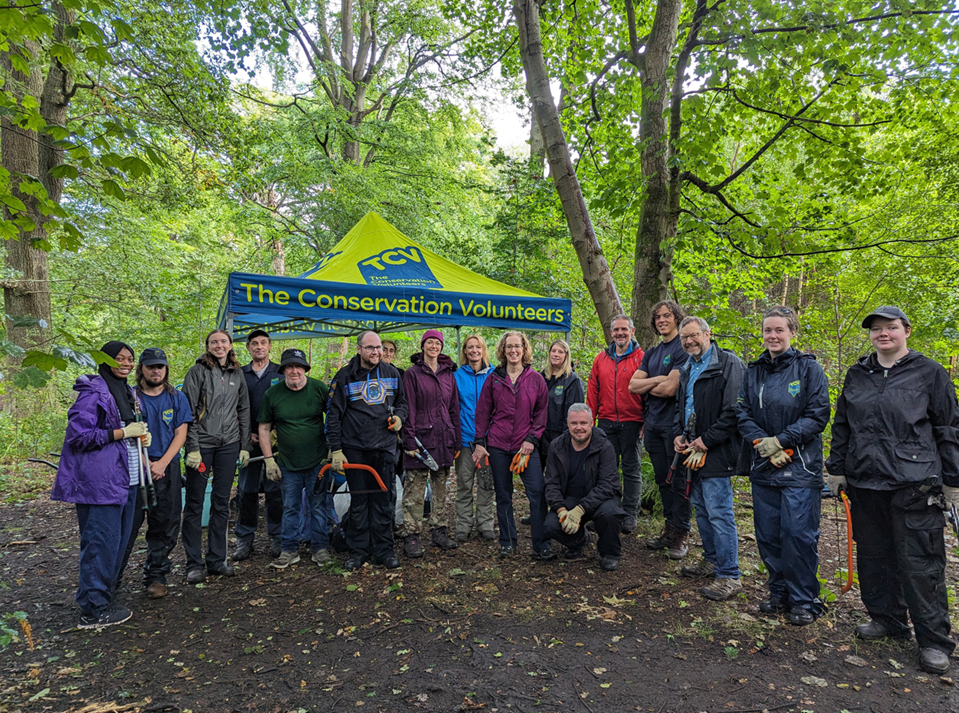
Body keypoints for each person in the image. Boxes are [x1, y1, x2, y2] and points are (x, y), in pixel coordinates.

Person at [826, 306, 959, 675]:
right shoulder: (858, 373)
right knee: (873, 556)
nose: (883, 334)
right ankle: (888, 620)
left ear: (906, 331)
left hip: (914, 484)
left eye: (891, 328)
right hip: (865, 483)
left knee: (920, 563)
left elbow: (948, 428)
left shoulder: (929, 373)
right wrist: (837, 470)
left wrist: (953, 482)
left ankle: (934, 641)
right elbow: (842, 424)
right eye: (876, 329)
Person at [736, 307, 830, 626]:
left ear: (792, 332)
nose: (772, 336)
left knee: (798, 535)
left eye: (779, 330)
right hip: (764, 466)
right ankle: (779, 593)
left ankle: (804, 599)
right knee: (769, 535)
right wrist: (765, 444)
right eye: (767, 330)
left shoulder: (808, 369)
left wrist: (784, 441)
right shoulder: (754, 371)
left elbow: (817, 415)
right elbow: (742, 412)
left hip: (801, 469)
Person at [52, 341, 149, 628]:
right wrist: (121, 433)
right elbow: (79, 436)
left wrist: (141, 436)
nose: (126, 363)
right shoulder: (93, 392)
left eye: (130, 358)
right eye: (119, 358)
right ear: (105, 360)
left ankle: (104, 597)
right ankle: (93, 609)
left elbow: (128, 428)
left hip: (127, 479)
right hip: (100, 483)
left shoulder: (128, 392)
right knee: (99, 544)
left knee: (117, 543)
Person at [673, 316, 745, 601]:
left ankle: (729, 574)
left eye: (693, 335)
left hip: (717, 450)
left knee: (719, 511)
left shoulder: (728, 364)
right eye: (684, 338)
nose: (689, 341)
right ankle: (711, 559)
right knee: (701, 508)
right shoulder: (687, 368)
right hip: (693, 448)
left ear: (707, 334)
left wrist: (706, 440)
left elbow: (734, 411)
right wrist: (682, 435)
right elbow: (685, 408)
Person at [326, 330, 408, 570]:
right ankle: (358, 551)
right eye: (370, 348)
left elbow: (402, 403)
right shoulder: (344, 377)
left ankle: (384, 550)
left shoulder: (392, 373)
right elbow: (333, 416)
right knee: (360, 501)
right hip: (355, 449)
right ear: (359, 349)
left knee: (384, 500)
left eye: (379, 347)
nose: (376, 352)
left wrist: (400, 419)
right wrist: (337, 449)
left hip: (384, 447)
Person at [118, 348, 192, 599]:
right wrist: (146, 463)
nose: (156, 370)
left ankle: (156, 575)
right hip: (134, 465)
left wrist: (162, 463)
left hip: (168, 466)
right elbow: (126, 432)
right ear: (141, 369)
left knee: (166, 522)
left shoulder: (176, 398)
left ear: (166, 369)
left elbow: (180, 433)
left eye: (160, 366)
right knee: (128, 524)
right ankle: (113, 578)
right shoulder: (130, 397)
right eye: (151, 366)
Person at [473, 331, 552, 560]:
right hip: (497, 445)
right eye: (509, 347)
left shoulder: (536, 379)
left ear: (524, 349)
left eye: (517, 346)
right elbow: (482, 413)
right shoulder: (494, 378)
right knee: (503, 495)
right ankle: (507, 542)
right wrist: (480, 442)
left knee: (537, 492)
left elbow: (541, 414)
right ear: (503, 350)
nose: (513, 350)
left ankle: (541, 544)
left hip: (525, 446)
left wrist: (531, 439)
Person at [181, 329, 251, 584]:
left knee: (221, 502)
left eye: (223, 341)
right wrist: (192, 446)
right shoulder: (197, 371)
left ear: (231, 345)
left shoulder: (237, 373)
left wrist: (244, 445)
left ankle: (216, 560)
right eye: (214, 342)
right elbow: (187, 410)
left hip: (229, 444)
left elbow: (243, 409)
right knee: (195, 503)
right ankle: (193, 563)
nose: (219, 345)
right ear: (208, 346)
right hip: (202, 444)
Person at [256, 348, 332, 569]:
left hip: (318, 461)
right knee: (290, 506)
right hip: (287, 463)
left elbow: (335, 417)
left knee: (318, 505)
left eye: (299, 366)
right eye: (290, 367)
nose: (294, 371)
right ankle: (289, 550)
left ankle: (320, 548)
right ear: (283, 370)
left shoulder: (319, 389)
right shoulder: (273, 394)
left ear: (305, 368)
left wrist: (333, 449)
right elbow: (263, 428)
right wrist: (269, 460)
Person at [629, 301, 690, 559]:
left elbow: (670, 389)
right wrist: (659, 379)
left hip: (674, 425)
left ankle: (681, 533)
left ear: (677, 318)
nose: (662, 320)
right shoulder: (652, 352)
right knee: (662, 479)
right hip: (652, 424)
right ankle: (668, 527)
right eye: (658, 317)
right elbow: (632, 385)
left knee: (678, 480)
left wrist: (651, 383)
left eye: (667, 315)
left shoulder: (683, 347)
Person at [399, 329, 461, 557]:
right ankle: (412, 535)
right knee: (415, 490)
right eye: (430, 342)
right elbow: (409, 409)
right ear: (423, 346)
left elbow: (454, 408)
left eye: (437, 343)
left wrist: (456, 440)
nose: (434, 346)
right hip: (420, 438)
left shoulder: (448, 374)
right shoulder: (412, 374)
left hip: (444, 438)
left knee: (440, 489)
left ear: (441, 347)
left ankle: (439, 530)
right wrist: (409, 440)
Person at [543, 403, 625, 570]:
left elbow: (607, 485)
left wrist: (580, 510)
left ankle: (609, 553)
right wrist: (561, 510)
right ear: (567, 423)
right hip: (571, 497)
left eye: (583, 423)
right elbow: (551, 483)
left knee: (610, 514)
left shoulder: (605, 446)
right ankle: (579, 541)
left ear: (591, 423)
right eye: (574, 423)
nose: (578, 428)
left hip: (601, 499)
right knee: (551, 524)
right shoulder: (557, 446)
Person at [586, 314, 645, 533]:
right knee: (605, 469)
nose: (620, 333)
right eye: (616, 330)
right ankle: (605, 512)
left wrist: (645, 420)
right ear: (611, 333)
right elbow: (593, 390)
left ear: (632, 331)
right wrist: (591, 420)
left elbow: (648, 392)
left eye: (624, 329)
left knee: (631, 469)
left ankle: (629, 514)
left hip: (632, 421)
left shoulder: (642, 358)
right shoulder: (601, 358)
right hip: (606, 421)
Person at [233, 329, 284, 562]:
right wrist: (246, 434)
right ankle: (244, 537)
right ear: (248, 348)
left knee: (275, 489)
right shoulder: (239, 374)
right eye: (254, 343)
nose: (259, 347)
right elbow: (231, 408)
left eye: (263, 343)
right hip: (247, 442)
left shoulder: (280, 373)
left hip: (276, 441)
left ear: (270, 346)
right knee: (246, 490)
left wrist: (275, 431)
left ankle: (276, 535)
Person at [453, 334, 495, 542]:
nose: (474, 351)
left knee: (486, 485)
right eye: (470, 347)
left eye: (478, 347)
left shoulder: (495, 374)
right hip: (465, 439)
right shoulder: (457, 375)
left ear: (483, 349)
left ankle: (485, 524)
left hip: (488, 441)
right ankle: (463, 525)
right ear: (465, 351)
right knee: (464, 484)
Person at [539, 339, 585, 465]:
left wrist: (567, 439)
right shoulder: (541, 377)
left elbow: (575, 413)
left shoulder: (572, 381)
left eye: (560, 352)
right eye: (553, 351)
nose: (556, 354)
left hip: (560, 438)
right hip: (540, 437)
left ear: (566, 355)